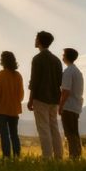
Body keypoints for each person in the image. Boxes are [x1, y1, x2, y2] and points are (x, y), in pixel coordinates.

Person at [28, 30, 64, 159]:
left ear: (40, 41)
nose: (35, 40)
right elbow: (61, 81)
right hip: (55, 98)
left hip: (41, 98)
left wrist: (30, 99)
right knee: (54, 127)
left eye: (36, 38)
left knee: (43, 128)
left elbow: (34, 81)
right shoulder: (56, 60)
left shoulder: (37, 59)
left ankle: (47, 156)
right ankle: (59, 155)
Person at [0, 51, 25, 158]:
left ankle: (6, 156)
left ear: (3, 61)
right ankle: (17, 155)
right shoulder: (18, 76)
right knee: (14, 134)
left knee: (4, 135)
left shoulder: (0, 75)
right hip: (14, 110)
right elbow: (21, 95)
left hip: (2, 110)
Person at [59, 47, 85, 159]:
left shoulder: (68, 71)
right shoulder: (78, 72)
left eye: (63, 54)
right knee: (74, 132)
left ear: (66, 57)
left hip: (68, 106)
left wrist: (60, 106)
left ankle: (73, 155)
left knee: (69, 133)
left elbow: (65, 91)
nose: (62, 56)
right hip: (76, 105)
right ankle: (77, 154)